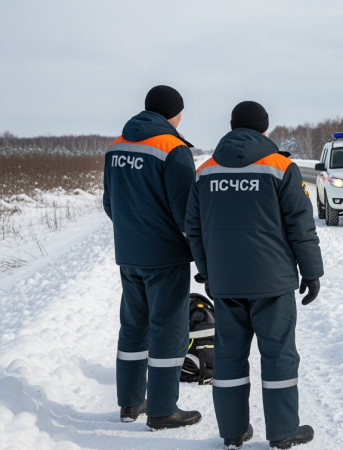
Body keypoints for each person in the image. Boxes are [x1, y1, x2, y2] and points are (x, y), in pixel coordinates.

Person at [186, 101, 323, 449]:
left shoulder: (205, 171)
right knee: (278, 355)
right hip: (272, 283)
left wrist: (207, 271)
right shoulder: (281, 167)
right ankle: (283, 432)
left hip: (226, 283)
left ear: (232, 127)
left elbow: (194, 229)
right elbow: (301, 225)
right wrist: (311, 272)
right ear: (264, 129)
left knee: (229, 356)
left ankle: (233, 432)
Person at [103, 85, 202, 430]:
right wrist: (200, 253)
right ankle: (162, 410)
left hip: (128, 255)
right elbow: (185, 213)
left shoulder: (116, 146)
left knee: (134, 327)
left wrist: (132, 233)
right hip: (165, 256)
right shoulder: (172, 149)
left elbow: (109, 203)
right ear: (173, 113)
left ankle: (130, 404)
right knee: (168, 330)